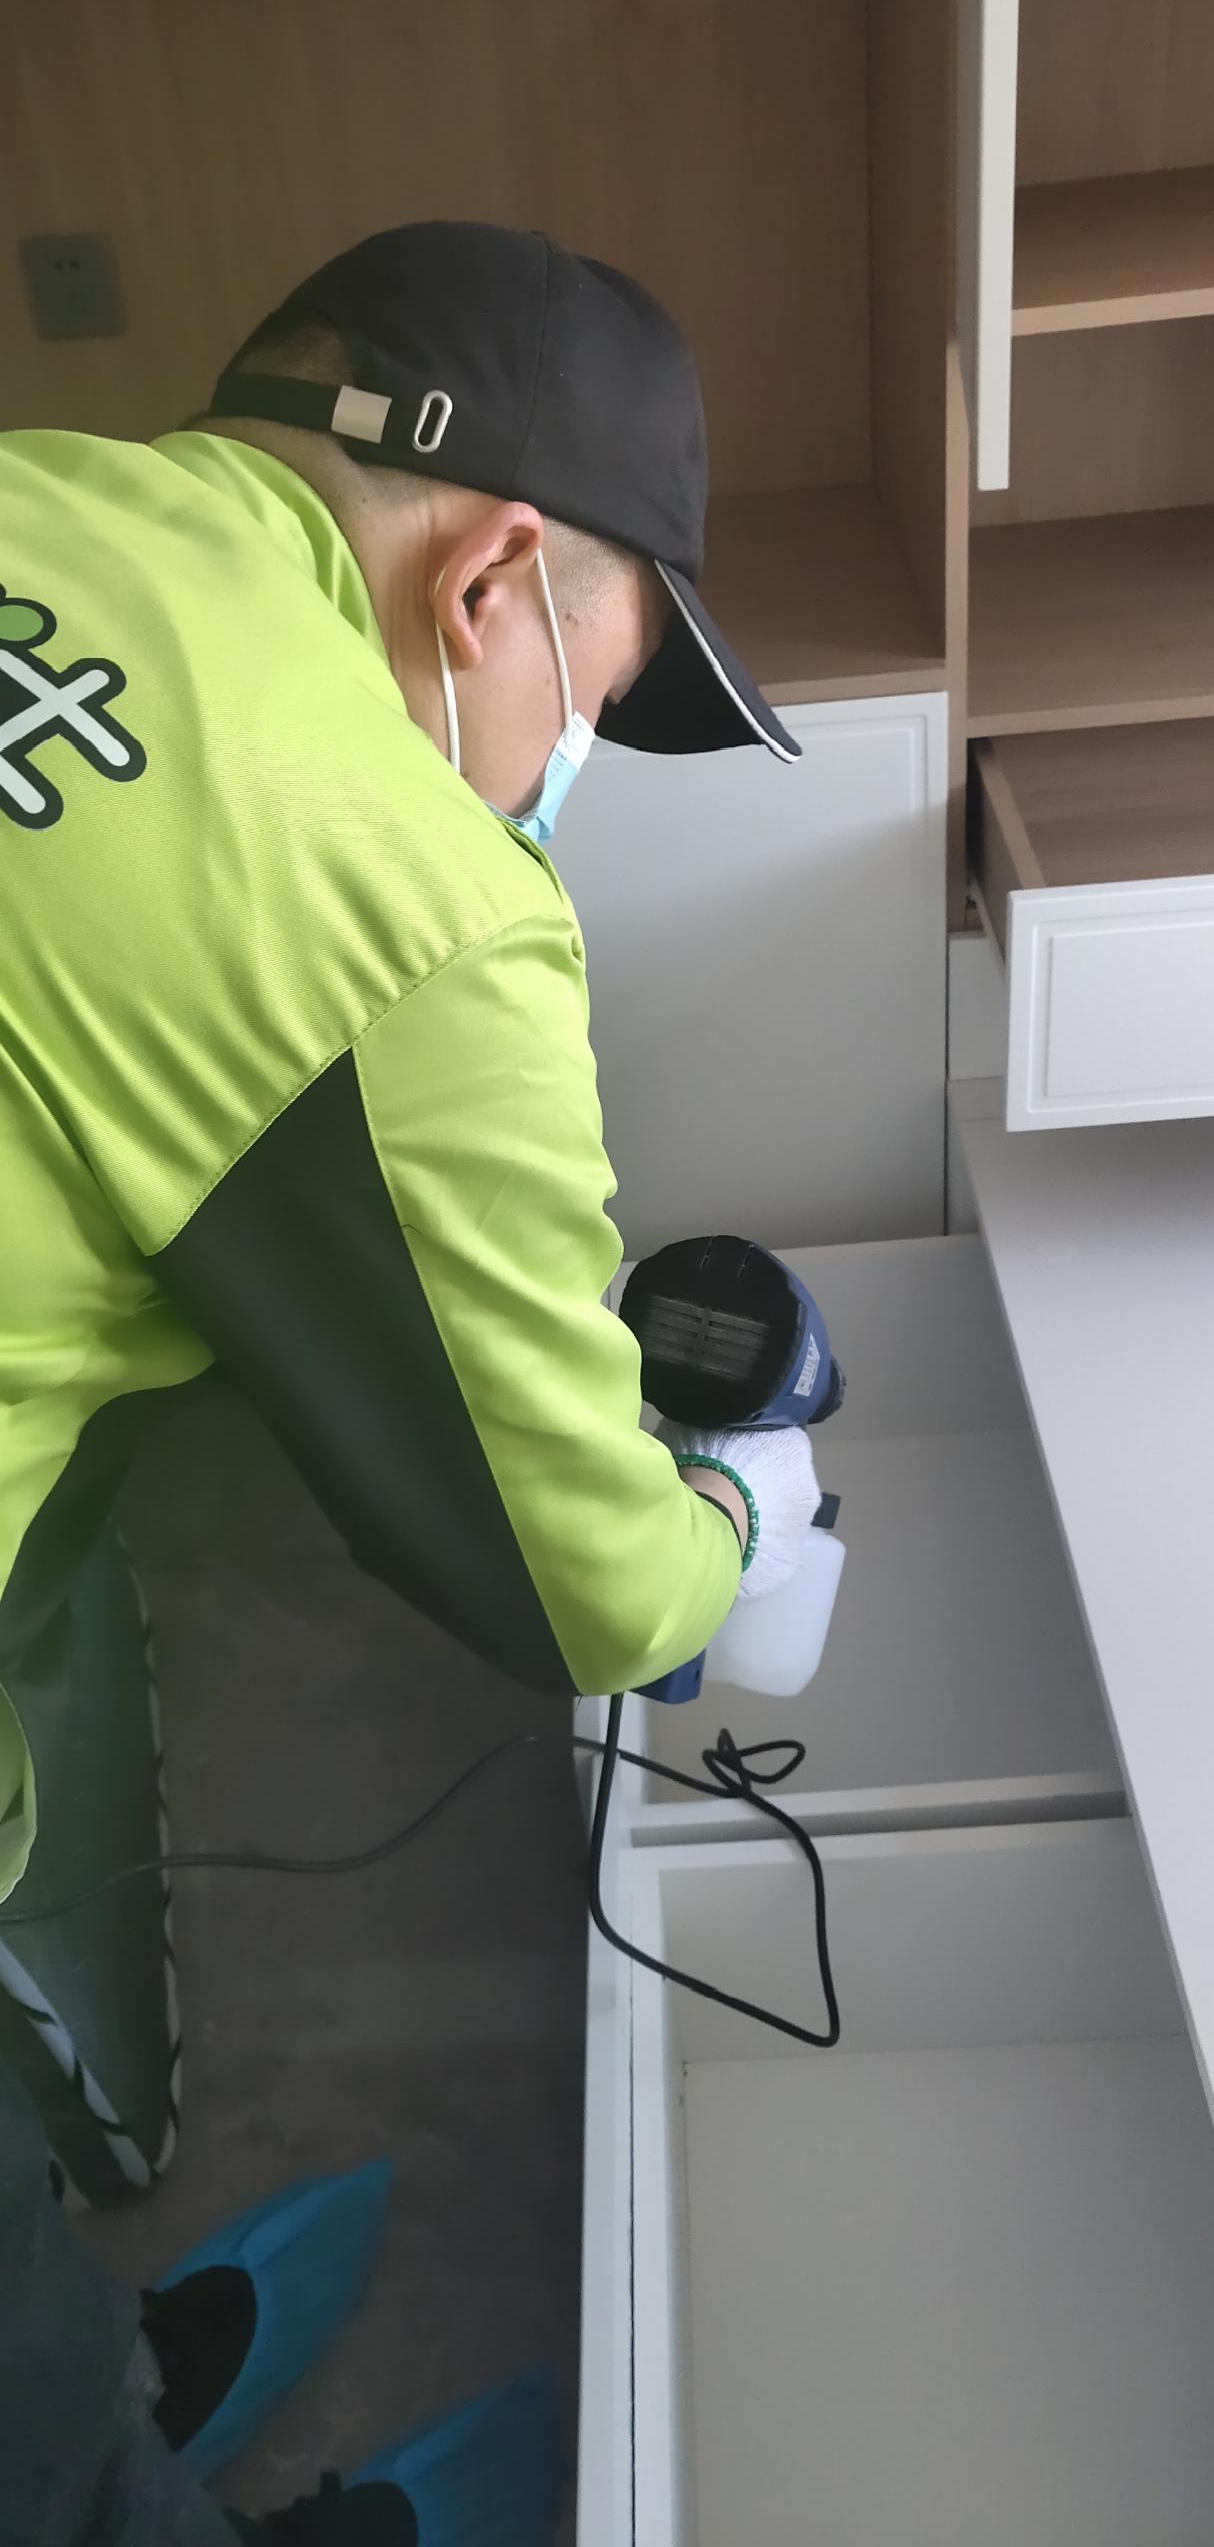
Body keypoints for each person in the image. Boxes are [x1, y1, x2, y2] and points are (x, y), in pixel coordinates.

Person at [0, 222, 819, 2541]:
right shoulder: (407, 897)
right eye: (592, 707)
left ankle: (94, 2348)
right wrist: (739, 1521)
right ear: (491, 584)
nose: (559, 777)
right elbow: (584, 1582)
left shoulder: (40, 486)